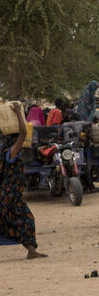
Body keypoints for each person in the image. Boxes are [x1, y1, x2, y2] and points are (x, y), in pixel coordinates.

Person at [0, 102, 47, 259]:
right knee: (27, 220)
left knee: (12, 222)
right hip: (11, 196)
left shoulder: (4, 152)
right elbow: (23, 133)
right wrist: (19, 113)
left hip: (8, 194)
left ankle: (31, 250)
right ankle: (31, 251)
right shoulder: (12, 152)